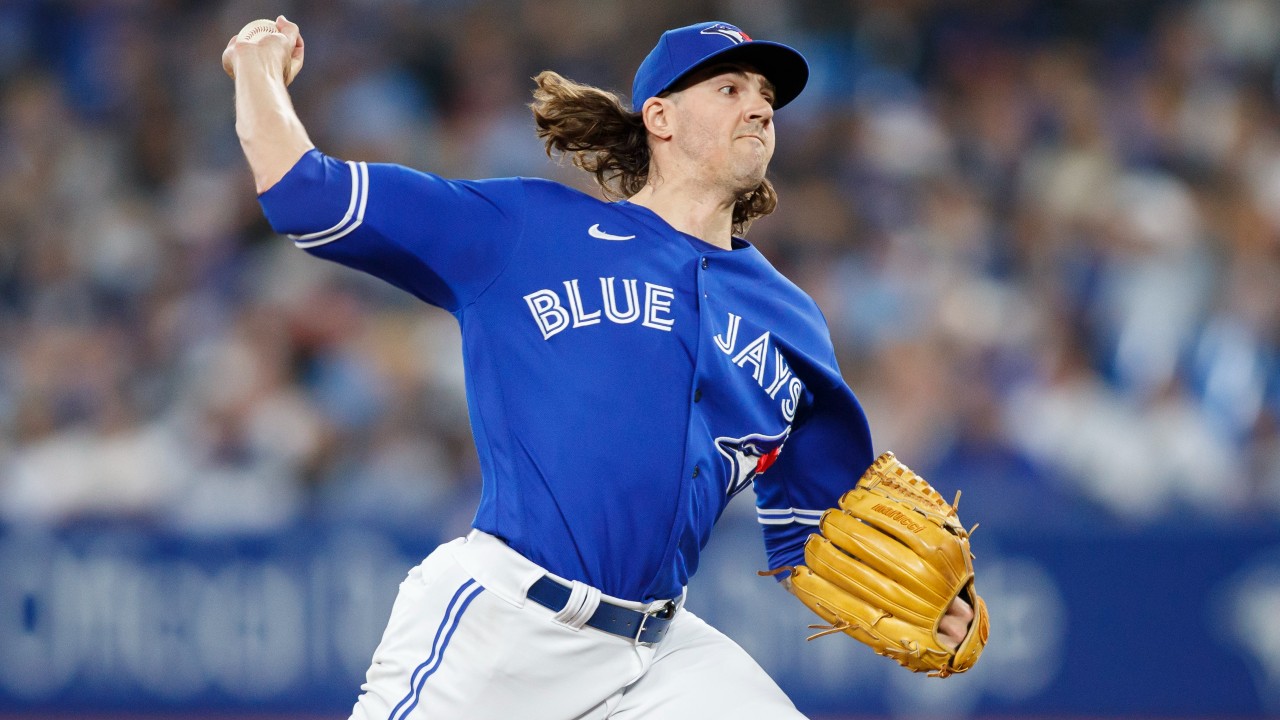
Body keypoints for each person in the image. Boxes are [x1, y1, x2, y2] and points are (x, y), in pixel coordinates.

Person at [223, 16, 975, 720]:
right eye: (731, 88)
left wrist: (934, 598)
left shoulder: (790, 318)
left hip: (660, 656)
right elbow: (304, 194)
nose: (760, 109)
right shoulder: (528, 230)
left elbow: (831, 524)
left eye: (767, 96)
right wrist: (254, 69)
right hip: (506, 627)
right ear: (661, 117)